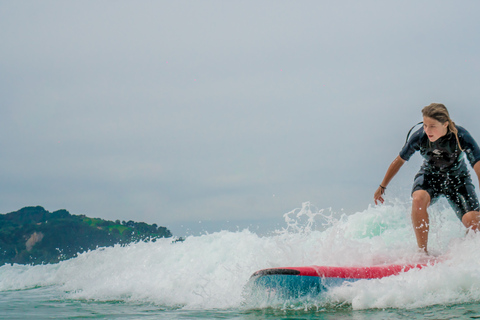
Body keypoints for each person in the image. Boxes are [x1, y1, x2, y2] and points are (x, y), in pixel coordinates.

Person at [373, 103, 480, 253]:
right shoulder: (420, 137)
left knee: (475, 224)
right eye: (425, 125)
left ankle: (464, 252)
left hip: (458, 180)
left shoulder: (461, 137)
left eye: (432, 126)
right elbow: (399, 161)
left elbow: (478, 166)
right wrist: (382, 186)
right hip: (430, 176)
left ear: (445, 124)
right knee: (418, 199)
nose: (427, 130)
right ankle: (422, 252)